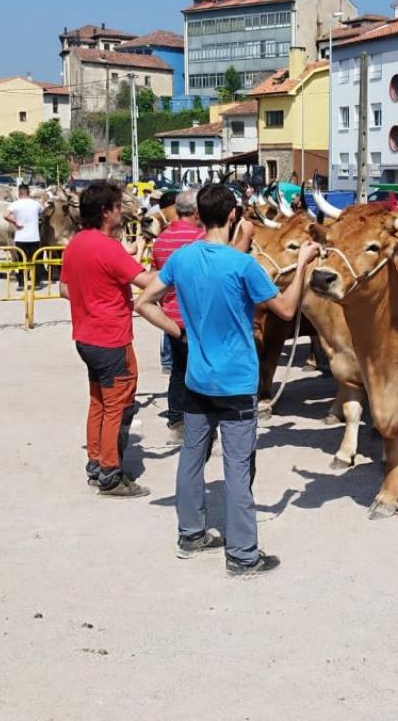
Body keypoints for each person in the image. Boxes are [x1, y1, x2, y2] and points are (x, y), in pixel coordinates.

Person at [136, 183, 319, 577]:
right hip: (236, 383)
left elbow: (142, 302)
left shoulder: (182, 259)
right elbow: (286, 310)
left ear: (198, 216)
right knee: (238, 467)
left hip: (196, 379)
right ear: (234, 216)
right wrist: (303, 263)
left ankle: (191, 535)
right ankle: (242, 555)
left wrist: (176, 331)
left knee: (192, 456)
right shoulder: (243, 265)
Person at [59, 181, 155, 496]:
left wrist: (92, 297)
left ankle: (96, 463)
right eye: (117, 207)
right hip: (110, 338)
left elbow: (64, 289)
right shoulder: (108, 246)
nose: (121, 212)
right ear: (105, 212)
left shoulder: (75, 243)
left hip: (86, 337)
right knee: (118, 405)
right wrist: (179, 269)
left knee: (99, 402)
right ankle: (111, 474)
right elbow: (145, 282)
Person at [149, 189, 206, 440]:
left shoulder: (161, 240)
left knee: (179, 370)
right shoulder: (203, 239)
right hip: (200, 316)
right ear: (196, 211)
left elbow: (155, 277)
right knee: (201, 368)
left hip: (171, 316)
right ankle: (199, 418)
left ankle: (176, 417)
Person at [4, 183, 44, 290]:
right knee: (36, 261)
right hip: (34, 237)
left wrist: (15, 223)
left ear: (19, 192)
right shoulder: (36, 204)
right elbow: (42, 213)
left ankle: (21, 283)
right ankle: (36, 283)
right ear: (29, 192)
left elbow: (5, 215)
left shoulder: (15, 204)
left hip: (20, 237)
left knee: (22, 261)